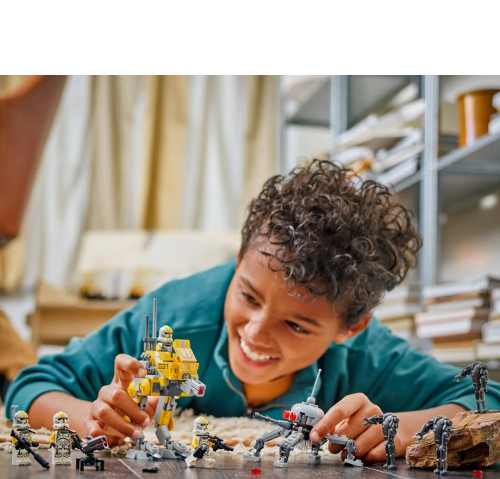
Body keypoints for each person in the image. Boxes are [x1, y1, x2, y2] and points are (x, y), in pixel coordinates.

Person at [5, 160, 500, 463]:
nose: (256, 333)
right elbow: (31, 386)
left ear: (351, 328)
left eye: (297, 324)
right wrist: (90, 418)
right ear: (239, 260)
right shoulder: (176, 318)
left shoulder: (369, 356)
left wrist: (401, 428)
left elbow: (488, 401)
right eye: (248, 296)